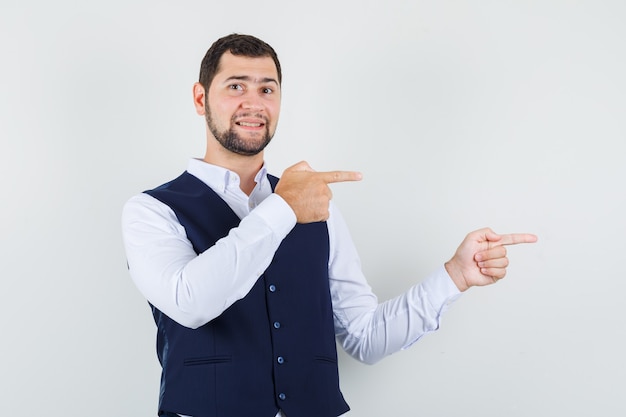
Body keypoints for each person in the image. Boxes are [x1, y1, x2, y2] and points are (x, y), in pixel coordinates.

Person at [121, 33, 537, 417]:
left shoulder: (320, 207)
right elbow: (190, 302)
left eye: (267, 89)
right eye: (235, 86)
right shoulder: (151, 210)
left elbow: (365, 336)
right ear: (200, 98)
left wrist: (454, 276)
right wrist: (283, 207)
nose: (254, 103)